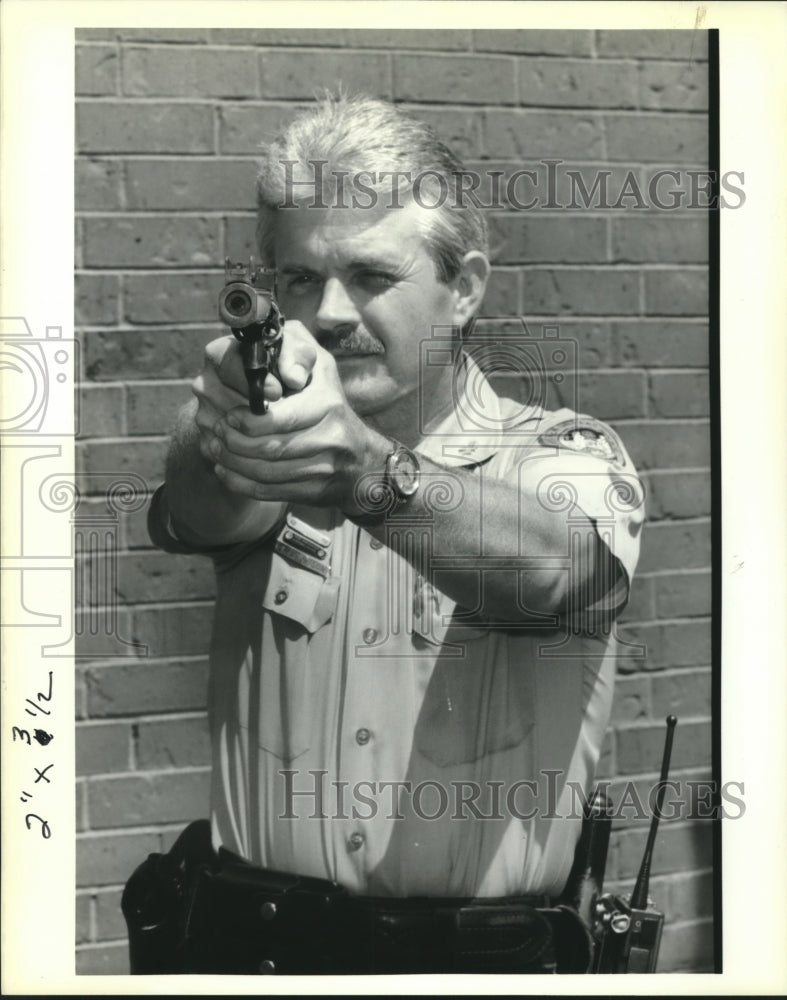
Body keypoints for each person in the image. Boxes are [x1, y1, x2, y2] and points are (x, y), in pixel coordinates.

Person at [125, 93, 645, 976]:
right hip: (250, 957)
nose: (327, 312)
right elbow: (191, 509)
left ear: (464, 289)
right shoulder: (265, 442)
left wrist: (369, 477)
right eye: (298, 280)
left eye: (370, 277)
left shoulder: (561, 453)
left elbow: (559, 575)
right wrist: (220, 417)